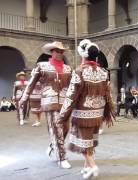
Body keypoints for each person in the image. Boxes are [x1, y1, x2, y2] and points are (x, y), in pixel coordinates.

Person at [59, 40, 114, 179]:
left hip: (82, 115)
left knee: (83, 144)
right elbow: (108, 95)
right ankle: (86, 168)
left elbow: (71, 95)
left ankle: (93, 166)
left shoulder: (79, 71)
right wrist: (107, 112)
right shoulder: (103, 72)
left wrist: (62, 115)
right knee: (89, 142)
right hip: (97, 114)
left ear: (83, 55)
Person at [19, 41, 72, 169]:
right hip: (49, 101)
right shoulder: (42, 66)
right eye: (57, 51)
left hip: (65, 102)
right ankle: (61, 157)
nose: (60, 53)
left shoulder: (68, 68)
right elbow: (31, 83)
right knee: (56, 128)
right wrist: (24, 98)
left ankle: (53, 146)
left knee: (65, 128)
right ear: (52, 52)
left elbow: (72, 86)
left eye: (61, 51)